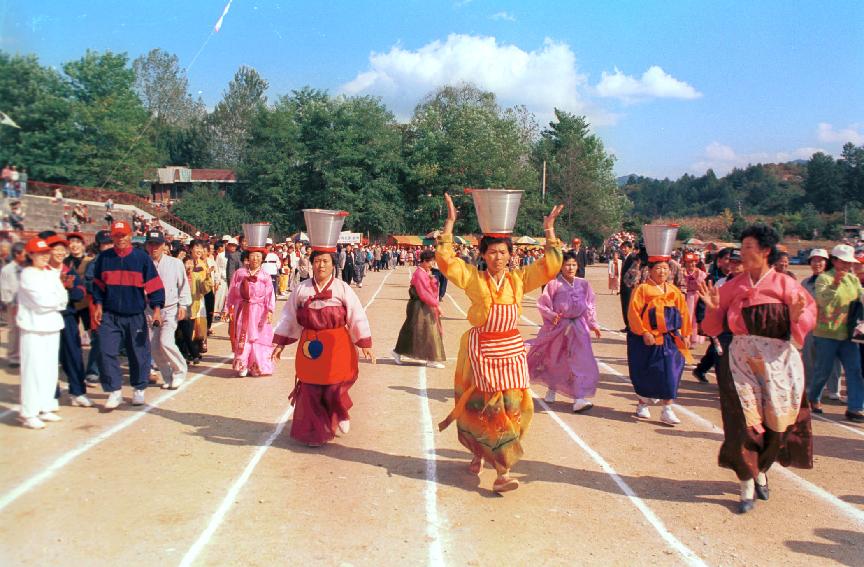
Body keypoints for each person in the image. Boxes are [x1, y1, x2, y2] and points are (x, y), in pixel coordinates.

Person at [436, 192, 563, 493]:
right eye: (492, 252)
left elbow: (551, 266)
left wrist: (549, 231)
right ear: (483, 255)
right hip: (482, 352)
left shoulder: (520, 280)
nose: (498, 257)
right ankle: (502, 471)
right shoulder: (473, 279)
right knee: (487, 410)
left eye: (503, 252)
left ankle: (485, 453)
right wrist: (450, 223)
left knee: (515, 408)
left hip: (512, 351)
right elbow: (445, 260)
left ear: (511, 255)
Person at [700, 224, 816, 513]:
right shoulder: (732, 286)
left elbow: (804, 324)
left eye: (749, 246)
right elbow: (711, 328)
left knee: (777, 424)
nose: (743, 251)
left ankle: (761, 468)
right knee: (744, 424)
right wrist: (713, 308)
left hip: (777, 363)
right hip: (740, 362)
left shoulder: (786, 284)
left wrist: (795, 317)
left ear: (765, 252)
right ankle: (747, 483)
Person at [272, 210, 374, 447]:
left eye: (325, 261)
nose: (321, 266)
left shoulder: (341, 289)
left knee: (334, 386)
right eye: (317, 261)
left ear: (332, 264)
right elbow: (289, 317)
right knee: (310, 389)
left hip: (337, 343)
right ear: (311, 263)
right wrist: (279, 345)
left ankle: (340, 413)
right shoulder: (301, 289)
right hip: (310, 345)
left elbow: (356, 315)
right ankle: (315, 432)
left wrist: (364, 343)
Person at [92, 221, 165, 410]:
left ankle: (139, 388)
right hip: (110, 314)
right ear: (112, 237)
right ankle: (114, 391)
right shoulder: (104, 258)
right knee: (105, 350)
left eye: (123, 235)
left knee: (138, 352)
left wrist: (156, 310)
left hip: (134, 315)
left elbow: (155, 286)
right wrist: (98, 304)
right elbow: (98, 286)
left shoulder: (141, 258)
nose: (120, 239)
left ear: (130, 235)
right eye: (117, 235)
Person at [626, 224, 692, 426]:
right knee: (647, 372)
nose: (662, 272)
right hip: (648, 339)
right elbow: (633, 313)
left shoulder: (674, 291)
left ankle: (667, 409)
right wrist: (643, 332)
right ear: (650, 271)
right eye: (658, 269)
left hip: (671, 339)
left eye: (665, 268)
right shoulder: (643, 289)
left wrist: (686, 334)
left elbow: (684, 314)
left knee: (672, 372)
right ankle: (642, 404)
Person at [528, 250, 602, 413]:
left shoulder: (584, 284)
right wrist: (553, 316)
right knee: (555, 359)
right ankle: (552, 387)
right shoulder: (553, 285)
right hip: (559, 328)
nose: (570, 267)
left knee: (579, 361)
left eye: (574, 264)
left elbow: (590, 306)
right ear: (561, 267)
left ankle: (579, 398)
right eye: (567, 264)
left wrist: (593, 324)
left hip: (579, 328)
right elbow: (543, 304)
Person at [16, 237, 69, 429]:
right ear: (31, 255)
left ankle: (46, 406)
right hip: (33, 327)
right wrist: (53, 300)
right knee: (32, 370)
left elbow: (63, 298)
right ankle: (28, 412)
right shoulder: (27, 274)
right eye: (40, 254)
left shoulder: (50, 273)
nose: (45, 257)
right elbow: (41, 301)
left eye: (46, 253)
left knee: (49, 368)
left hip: (52, 325)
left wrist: (53, 299)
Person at [809, 244, 864, 422]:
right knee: (822, 371)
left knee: (854, 371)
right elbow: (823, 301)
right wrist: (835, 284)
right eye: (844, 261)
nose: (848, 265)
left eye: (850, 262)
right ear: (834, 261)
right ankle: (814, 398)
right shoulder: (823, 279)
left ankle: (855, 408)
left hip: (848, 335)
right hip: (827, 334)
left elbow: (861, 297)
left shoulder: (853, 280)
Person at [45, 233, 90, 407]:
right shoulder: (42, 270)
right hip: (47, 318)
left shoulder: (68, 270)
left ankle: (77, 392)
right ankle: (51, 395)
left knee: (73, 354)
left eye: (61, 249)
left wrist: (69, 287)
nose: (58, 252)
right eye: (55, 249)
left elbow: (80, 294)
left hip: (68, 317)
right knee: (49, 357)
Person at [146, 230, 191, 389]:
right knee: (154, 347)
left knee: (166, 342)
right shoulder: (144, 263)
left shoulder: (175, 263)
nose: (154, 248)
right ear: (147, 246)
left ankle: (180, 371)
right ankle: (167, 376)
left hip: (170, 308)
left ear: (164, 245)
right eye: (151, 244)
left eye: (157, 244)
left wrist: (183, 305)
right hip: (149, 310)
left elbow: (183, 285)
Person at [224, 247, 275, 377]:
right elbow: (231, 292)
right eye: (253, 255)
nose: (255, 259)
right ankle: (242, 365)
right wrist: (228, 307)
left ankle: (256, 366)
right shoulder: (239, 273)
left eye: (258, 256)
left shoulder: (265, 276)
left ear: (262, 259)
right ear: (248, 257)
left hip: (259, 310)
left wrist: (269, 310)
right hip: (243, 309)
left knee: (258, 337)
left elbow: (270, 295)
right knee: (244, 335)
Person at [800, 248, 842, 406]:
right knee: (809, 357)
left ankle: (833, 390)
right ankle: (810, 387)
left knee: (832, 359)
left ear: (827, 262)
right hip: (811, 325)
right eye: (814, 260)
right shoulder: (805, 283)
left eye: (820, 260)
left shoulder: (834, 279)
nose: (817, 263)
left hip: (830, 325)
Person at [392, 250, 446, 368]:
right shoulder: (419, 274)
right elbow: (424, 294)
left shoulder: (425, 272)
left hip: (423, 305)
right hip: (419, 306)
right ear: (424, 261)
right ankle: (431, 359)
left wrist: (432, 279)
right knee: (428, 330)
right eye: (431, 262)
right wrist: (437, 306)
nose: (432, 264)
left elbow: (431, 290)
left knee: (414, 331)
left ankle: (397, 351)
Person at [0, 242, 26, 367]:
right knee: (14, 331)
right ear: (17, 254)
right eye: (24, 254)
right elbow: (4, 288)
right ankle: (13, 356)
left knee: (25, 330)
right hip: (13, 304)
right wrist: (11, 304)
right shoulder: (7, 269)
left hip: (26, 303)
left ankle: (23, 354)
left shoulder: (26, 268)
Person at [681, 252, 707, 346]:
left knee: (695, 317)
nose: (691, 264)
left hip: (696, 296)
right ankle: (685, 336)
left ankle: (694, 338)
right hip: (685, 296)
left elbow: (704, 285)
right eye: (688, 262)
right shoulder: (681, 272)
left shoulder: (700, 273)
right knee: (686, 316)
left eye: (693, 262)